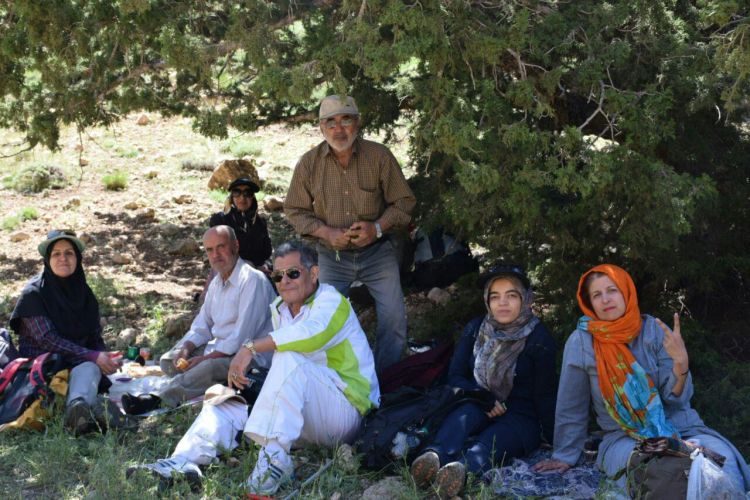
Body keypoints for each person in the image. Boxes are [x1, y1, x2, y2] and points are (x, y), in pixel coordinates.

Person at [126, 241, 379, 496]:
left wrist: (249, 348)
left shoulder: (332, 302)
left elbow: (310, 335)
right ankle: (183, 461)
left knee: (289, 359)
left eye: (293, 273)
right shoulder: (280, 308)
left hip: (346, 410)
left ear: (313, 274)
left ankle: (273, 462)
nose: (284, 281)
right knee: (226, 398)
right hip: (302, 417)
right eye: (278, 276)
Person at [533, 264, 750, 494]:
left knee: (725, 465)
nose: (605, 299)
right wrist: (564, 455)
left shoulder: (654, 331)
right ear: (589, 303)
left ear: (626, 292)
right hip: (625, 438)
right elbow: (572, 405)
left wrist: (681, 364)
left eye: (612, 290)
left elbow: (676, 400)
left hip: (683, 427)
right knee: (667, 470)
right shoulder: (581, 341)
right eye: (597, 295)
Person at [284, 94, 416, 373]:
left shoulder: (378, 156)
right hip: (332, 257)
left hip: (377, 253)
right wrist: (325, 232)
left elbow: (405, 203)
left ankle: (386, 383)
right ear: (321, 127)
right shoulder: (309, 164)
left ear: (358, 123)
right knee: (324, 319)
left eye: (346, 120)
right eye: (330, 122)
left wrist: (377, 227)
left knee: (394, 319)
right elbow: (294, 210)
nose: (338, 129)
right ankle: (335, 380)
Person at [409, 264, 557, 498]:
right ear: (487, 300)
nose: (503, 303)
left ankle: (460, 473)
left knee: (487, 446)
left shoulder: (539, 338)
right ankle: (432, 459)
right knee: (462, 418)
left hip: (521, 416)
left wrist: (557, 441)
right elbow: (455, 375)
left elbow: (545, 396)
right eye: (495, 296)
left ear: (526, 299)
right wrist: (480, 395)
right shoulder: (477, 328)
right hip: (478, 400)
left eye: (512, 296)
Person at [121, 226, 275, 414]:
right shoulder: (217, 282)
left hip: (249, 357)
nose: (215, 255)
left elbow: (241, 339)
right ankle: (202, 379)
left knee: (209, 367)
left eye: (221, 247)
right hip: (218, 349)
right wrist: (186, 350)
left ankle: (159, 399)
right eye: (210, 250)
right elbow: (202, 324)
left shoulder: (252, 280)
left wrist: (205, 358)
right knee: (169, 360)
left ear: (236, 246)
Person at [9, 229, 125, 435]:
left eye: (69, 253)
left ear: (78, 258)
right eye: (56, 253)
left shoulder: (84, 294)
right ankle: (89, 411)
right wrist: (91, 355)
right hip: (44, 370)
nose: (63, 258)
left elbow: (94, 337)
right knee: (88, 366)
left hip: (77, 366)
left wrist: (105, 358)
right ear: (47, 259)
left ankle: (77, 411)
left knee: (90, 369)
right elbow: (48, 340)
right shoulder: (33, 294)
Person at [209, 176, 272, 270]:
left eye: (248, 193)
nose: (242, 197)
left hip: (257, 273)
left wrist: (265, 266)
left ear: (253, 198)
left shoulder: (260, 222)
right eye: (237, 192)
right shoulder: (219, 221)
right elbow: (219, 254)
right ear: (231, 197)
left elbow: (267, 253)